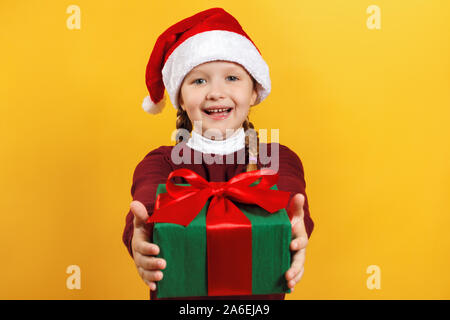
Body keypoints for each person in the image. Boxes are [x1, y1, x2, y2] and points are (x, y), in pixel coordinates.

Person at [122, 7, 315, 300]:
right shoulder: (160, 163)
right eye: (199, 80)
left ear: (254, 92)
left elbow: (289, 197)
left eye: (232, 78)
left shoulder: (276, 158)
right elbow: (147, 202)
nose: (215, 92)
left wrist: (294, 230)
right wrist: (142, 237)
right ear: (181, 99)